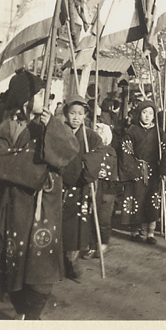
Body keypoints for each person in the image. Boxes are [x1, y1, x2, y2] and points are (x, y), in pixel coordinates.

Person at [0, 70, 79, 320]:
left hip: (45, 206)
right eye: (40, 94)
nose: (46, 98)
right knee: (17, 263)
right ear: (26, 99)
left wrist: (52, 129)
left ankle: (33, 311)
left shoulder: (50, 124)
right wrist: (38, 166)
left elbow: (70, 152)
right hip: (17, 204)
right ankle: (22, 309)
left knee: (42, 265)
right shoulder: (8, 126)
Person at [61, 95, 118, 278]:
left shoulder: (91, 136)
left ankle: (72, 258)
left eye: (80, 113)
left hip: (81, 186)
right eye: (72, 113)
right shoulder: (59, 132)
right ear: (65, 114)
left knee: (77, 225)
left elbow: (100, 153)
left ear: (85, 115)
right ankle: (60, 260)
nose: (76, 117)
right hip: (60, 185)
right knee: (59, 224)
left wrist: (87, 165)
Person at [118, 100, 166, 245]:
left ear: (154, 115)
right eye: (144, 112)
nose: (147, 116)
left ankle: (150, 232)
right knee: (136, 200)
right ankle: (135, 231)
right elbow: (126, 151)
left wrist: (164, 171)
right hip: (136, 170)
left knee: (152, 201)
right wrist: (132, 170)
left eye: (150, 113)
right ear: (139, 114)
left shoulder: (159, 133)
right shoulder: (132, 131)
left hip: (153, 171)